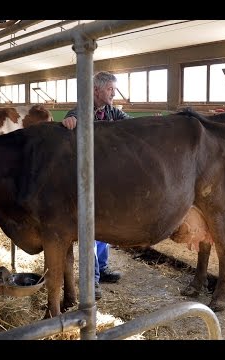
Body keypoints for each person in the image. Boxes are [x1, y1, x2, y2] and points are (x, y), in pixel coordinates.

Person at [62, 71, 131, 300]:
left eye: (114, 89)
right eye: (110, 89)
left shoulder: (113, 112)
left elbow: (132, 125)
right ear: (96, 90)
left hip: (106, 180)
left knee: (103, 226)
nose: (114, 93)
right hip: (85, 180)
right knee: (89, 231)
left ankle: (102, 268)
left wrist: (152, 123)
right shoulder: (79, 111)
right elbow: (70, 121)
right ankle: (91, 282)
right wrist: (69, 122)